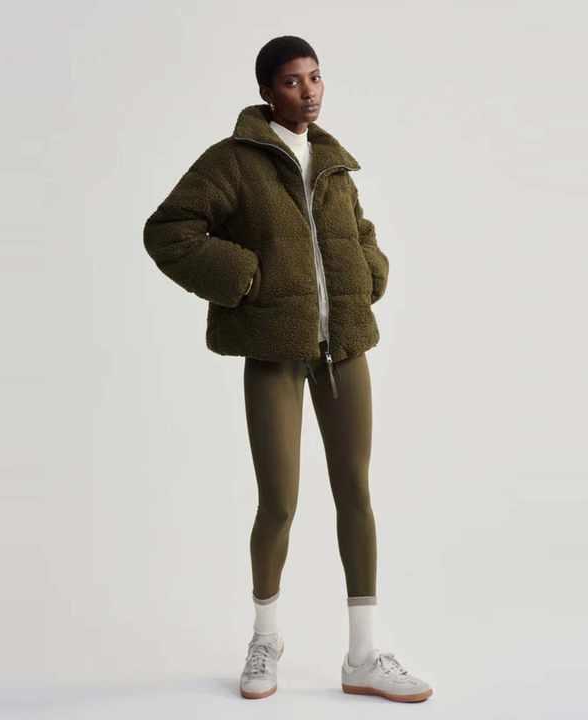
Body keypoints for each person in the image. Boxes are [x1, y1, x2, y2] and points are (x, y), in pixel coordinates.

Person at [143, 35, 433, 704]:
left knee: (356, 493)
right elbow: (169, 229)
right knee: (278, 503)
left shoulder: (332, 162)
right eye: (294, 81)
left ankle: (363, 654)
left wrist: (368, 273)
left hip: (344, 350)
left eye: (316, 77)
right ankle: (265, 639)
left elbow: (356, 230)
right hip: (274, 351)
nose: (310, 92)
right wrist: (242, 277)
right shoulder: (233, 162)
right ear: (267, 92)